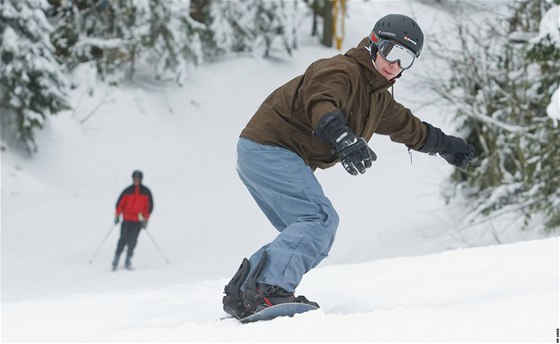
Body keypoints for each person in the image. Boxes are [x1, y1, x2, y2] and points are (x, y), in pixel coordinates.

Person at [222, 13, 475, 318]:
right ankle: (267, 289)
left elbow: (408, 126)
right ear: (373, 43)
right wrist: (342, 137)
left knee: (313, 234)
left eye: (405, 58)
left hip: (262, 152)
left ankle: (246, 291)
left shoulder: (376, 98)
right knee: (318, 220)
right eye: (391, 51)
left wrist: (447, 146)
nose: (394, 64)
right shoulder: (341, 70)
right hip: (271, 147)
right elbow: (320, 100)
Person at [112, 170, 154, 270]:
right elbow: (120, 204)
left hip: (137, 221)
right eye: (135, 178)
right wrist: (117, 215)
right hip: (126, 219)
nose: (136, 180)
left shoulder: (146, 192)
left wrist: (145, 220)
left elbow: (149, 208)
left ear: (141, 179)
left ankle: (128, 259)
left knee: (133, 240)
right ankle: (116, 259)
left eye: (138, 178)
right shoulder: (127, 191)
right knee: (123, 239)